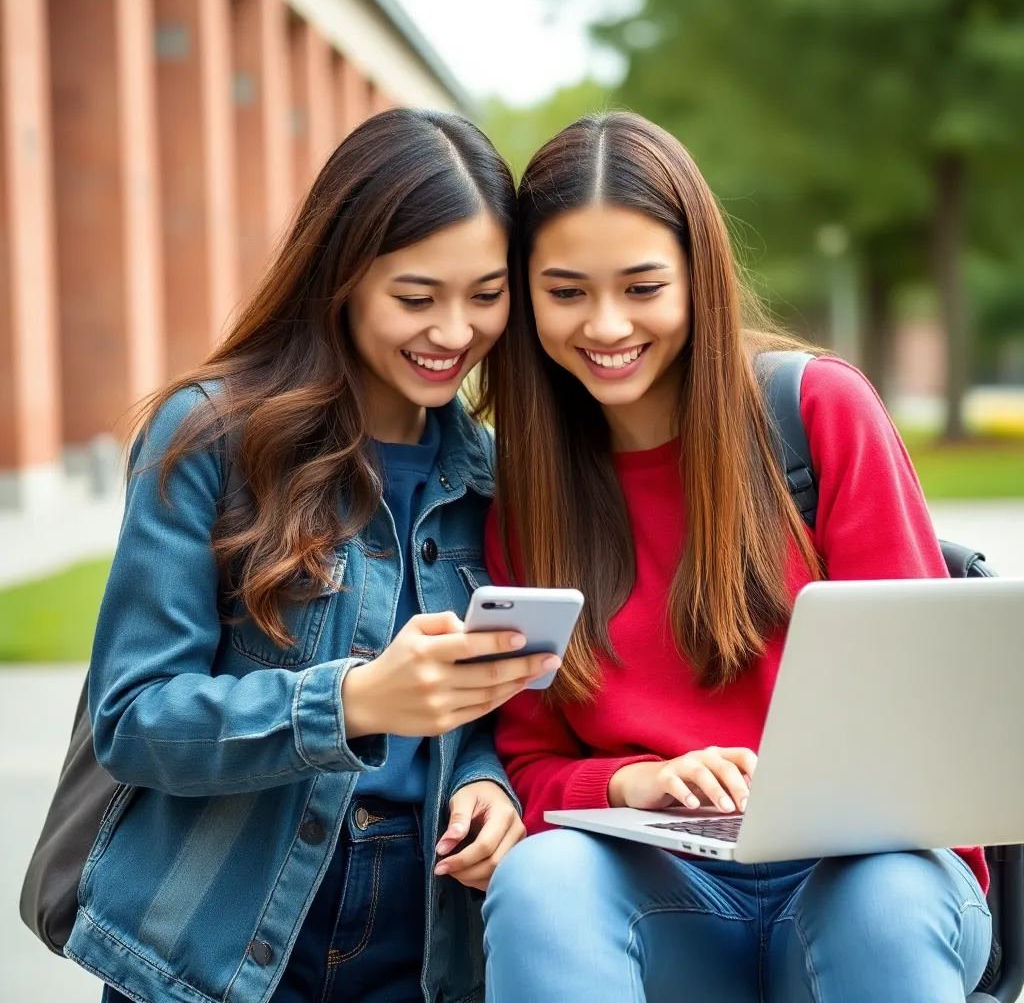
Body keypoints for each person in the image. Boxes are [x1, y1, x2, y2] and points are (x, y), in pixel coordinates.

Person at [477, 112, 992, 1002]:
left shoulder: (817, 412)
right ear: (525, 297)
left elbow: (929, 717)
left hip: (864, 878)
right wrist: (635, 779)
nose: (606, 325)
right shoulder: (527, 495)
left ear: (697, 278)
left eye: (643, 287)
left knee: (880, 896)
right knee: (542, 881)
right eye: (566, 292)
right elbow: (528, 762)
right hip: (663, 894)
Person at [68, 108, 560, 1003]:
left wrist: (491, 785)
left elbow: (491, 712)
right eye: (417, 297)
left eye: (486, 295)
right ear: (341, 275)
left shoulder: (494, 476)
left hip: (425, 928)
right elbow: (134, 719)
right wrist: (356, 698)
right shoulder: (211, 437)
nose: (455, 331)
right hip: (222, 925)